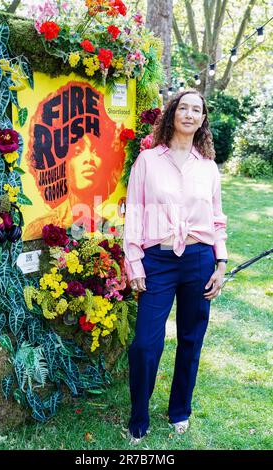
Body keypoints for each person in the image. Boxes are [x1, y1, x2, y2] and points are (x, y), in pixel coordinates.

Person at [123, 89, 228, 444]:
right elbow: (134, 214)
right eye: (183, 107)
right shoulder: (148, 161)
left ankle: (179, 409)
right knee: (144, 344)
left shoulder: (208, 167)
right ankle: (139, 415)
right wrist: (134, 262)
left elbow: (217, 220)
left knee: (190, 339)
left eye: (196, 109)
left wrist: (221, 262)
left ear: (202, 120)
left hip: (199, 259)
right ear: (172, 114)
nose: (189, 113)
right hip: (157, 260)